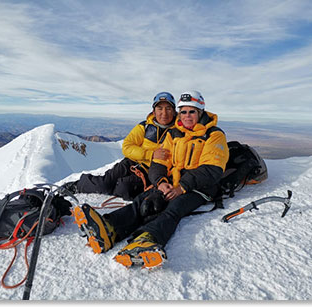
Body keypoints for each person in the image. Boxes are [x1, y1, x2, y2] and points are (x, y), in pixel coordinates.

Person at [71, 90, 229, 269]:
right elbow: (159, 162)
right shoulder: (175, 133)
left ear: (200, 112)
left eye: (191, 111)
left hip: (200, 187)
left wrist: (182, 187)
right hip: (173, 181)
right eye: (183, 111)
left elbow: (212, 169)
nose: (187, 116)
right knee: (144, 201)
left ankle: (148, 239)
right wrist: (161, 182)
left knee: (174, 208)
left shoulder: (214, 135)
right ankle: (109, 228)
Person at [62, 92, 176, 201]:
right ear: (154, 111)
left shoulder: (178, 132)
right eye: (160, 108)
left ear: (174, 111)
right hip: (131, 162)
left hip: (150, 172)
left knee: (124, 189)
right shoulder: (144, 127)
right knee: (103, 185)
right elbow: (127, 147)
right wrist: (150, 154)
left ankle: (115, 187)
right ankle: (75, 186)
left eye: (168, 108)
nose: (164, 113)